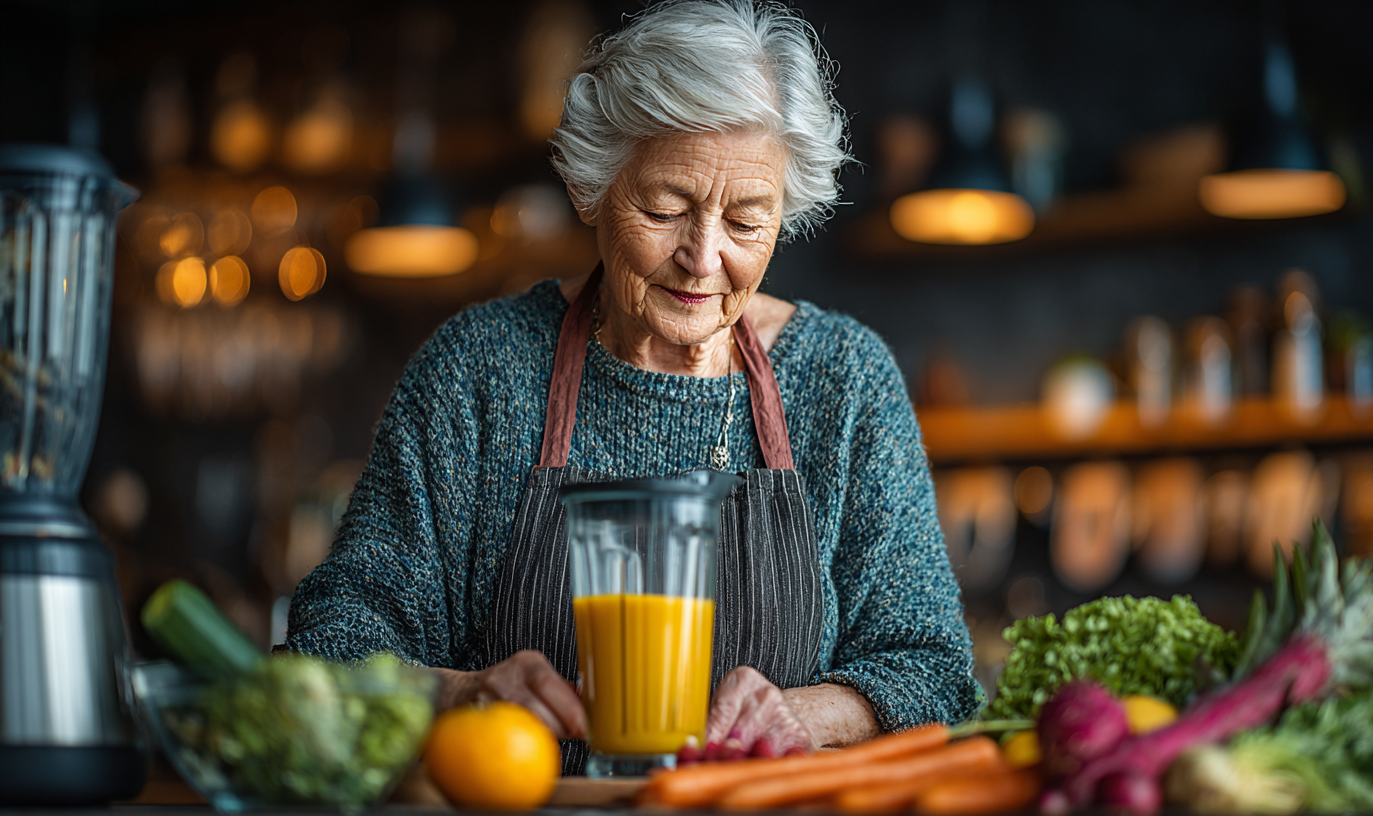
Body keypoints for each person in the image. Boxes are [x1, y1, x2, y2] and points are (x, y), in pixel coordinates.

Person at [286, 0, 980, 774]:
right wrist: (459, 694)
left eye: (747, 222)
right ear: (592, 188)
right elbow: (334, 642)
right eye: (665, 208)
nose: (703, 258)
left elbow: (934, 673)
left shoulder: (843, 380)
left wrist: (805, 715)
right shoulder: (476, 372)